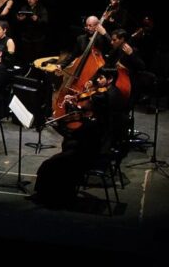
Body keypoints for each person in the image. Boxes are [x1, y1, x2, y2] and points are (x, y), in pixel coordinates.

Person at [32, 67, 124, 207]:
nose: (96, 81)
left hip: (89, 154)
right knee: (60, 157)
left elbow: (73, 134)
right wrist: (76, 109)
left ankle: (48, 197)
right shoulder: (96, 117)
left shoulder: (94, 122)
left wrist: (60, 124)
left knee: (50, 164)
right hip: (86, 148)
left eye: (100, 78)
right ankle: (57, 193)